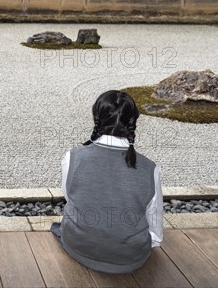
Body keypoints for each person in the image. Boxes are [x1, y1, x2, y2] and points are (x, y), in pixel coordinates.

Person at [51, 90, 163, 274]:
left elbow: (71, 198)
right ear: (133, 120)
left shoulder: (72, 157)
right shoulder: (150, 169)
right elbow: (156, 234)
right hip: (129, 257)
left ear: (96, 116)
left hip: (79, 247)